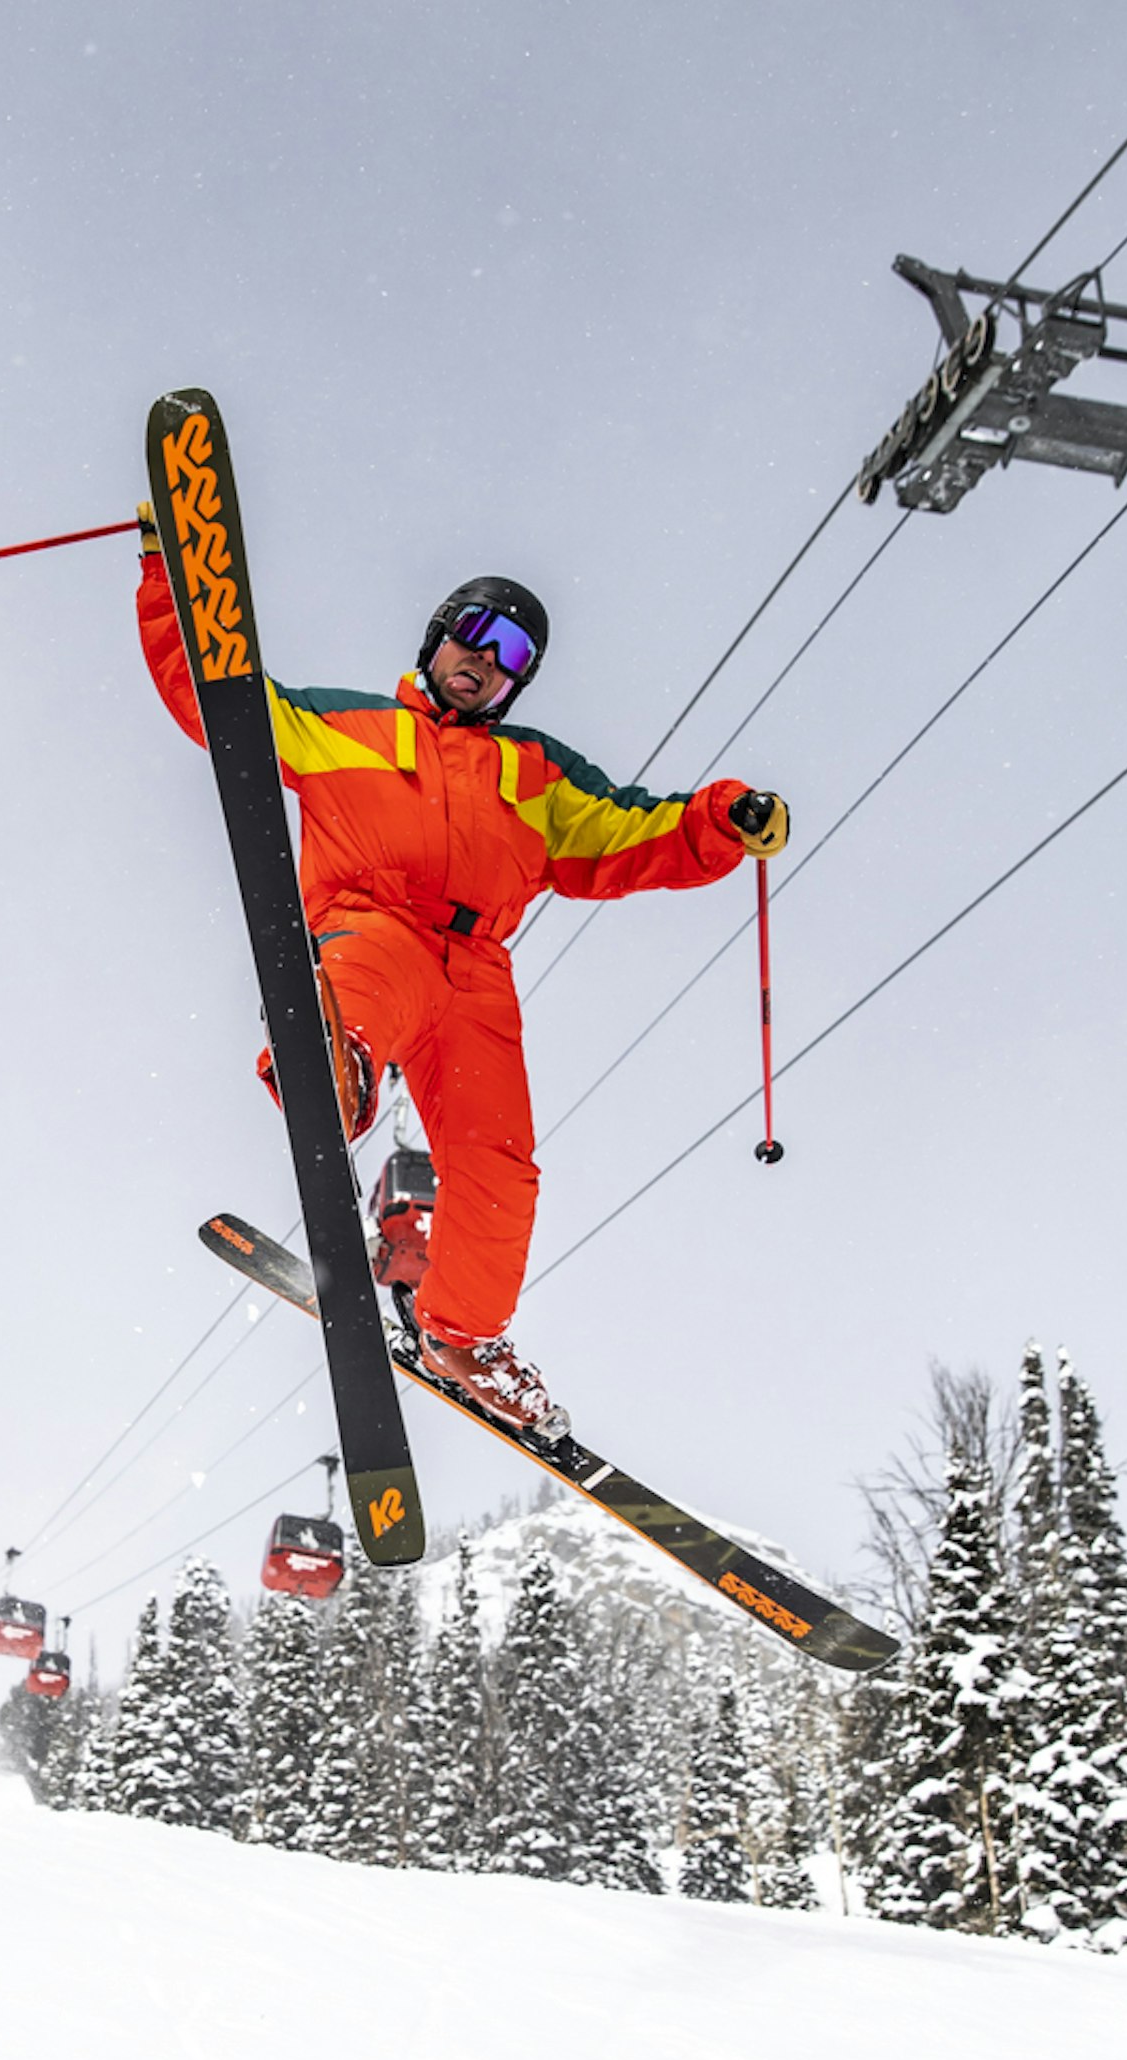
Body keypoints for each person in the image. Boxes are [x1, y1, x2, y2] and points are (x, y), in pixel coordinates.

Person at [136, 519, 788, 1439]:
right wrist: (171, 573)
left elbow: (637, 831)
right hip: (375, 920)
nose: (485, 658)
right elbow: (216, 696)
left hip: (478, 973)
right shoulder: (343, 725)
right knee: (364, 975)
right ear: (436, 638)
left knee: (500, 1172)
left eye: (512, 653)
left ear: (519, 681)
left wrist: (727, 819)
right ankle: (328, 1064)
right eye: (472, 633)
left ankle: (464, 1336)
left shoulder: (536, 774)